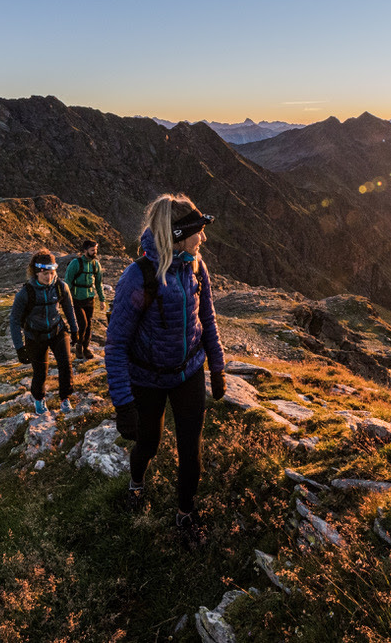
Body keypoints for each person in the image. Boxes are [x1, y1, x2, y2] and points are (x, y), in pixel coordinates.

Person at [103, 193, 225, 544]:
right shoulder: (138, 277)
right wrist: (123, 404)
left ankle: (185, 513)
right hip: (147, 378)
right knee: (149, 442)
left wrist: (216, 368)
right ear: (176, 236)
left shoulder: (196, 267)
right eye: (197, 231)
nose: (203, 238)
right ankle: (136, 484)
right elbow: (115, 345)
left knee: (191, 450)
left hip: (189, 372)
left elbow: (208, 319)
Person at [9, 249, 80, 415]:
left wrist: (75, 330)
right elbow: (14, 321)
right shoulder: (25, 294)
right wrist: (20, 347)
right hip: (35, 336)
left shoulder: (61, 287)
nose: (49, 278)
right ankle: (39, 400)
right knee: (40, 372)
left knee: (65, 365)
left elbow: (69, 309)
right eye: (45, 274)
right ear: (36, 273)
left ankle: (65, 399)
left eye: (52, 273)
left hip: (57, 331)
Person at [65, 239, 106, 360]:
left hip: (90, 298)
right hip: (77, 299)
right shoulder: (75, 264)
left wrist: (102, 300)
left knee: (89, 325)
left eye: (96, 250)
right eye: (93, 250)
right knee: (83, 324)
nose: (95, 252)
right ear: (85, 250)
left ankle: (86, 348)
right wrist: (65, 299)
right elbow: (67, 282)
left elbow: (99, 283)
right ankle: (78, 346)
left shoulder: (96, 264)